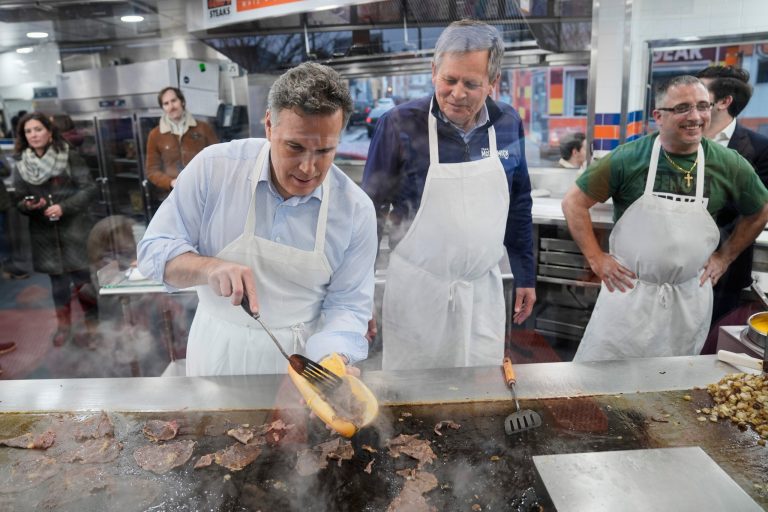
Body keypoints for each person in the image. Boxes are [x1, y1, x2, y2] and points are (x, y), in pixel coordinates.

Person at [137, 62, 377, 377]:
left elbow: (347, 305)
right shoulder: (215, 169)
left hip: (303, 364)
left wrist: (331, 363)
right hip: (216, 355)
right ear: (268, 126)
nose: (308, 168)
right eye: (294, 147)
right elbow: (153, 252)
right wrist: (209, 267)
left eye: (324, 151)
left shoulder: (355, 210)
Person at [362, 19, 536, 371]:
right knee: (412, 399)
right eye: (449, 80)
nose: (458, 93)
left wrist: (525, 275)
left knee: (478, 392)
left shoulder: (507, 123)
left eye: (471, 84)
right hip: (417, 292)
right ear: (433, 72)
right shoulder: (399, 124)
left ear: (492, 82)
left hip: (481, 292)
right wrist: (360, 294)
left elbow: (519, 201)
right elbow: (370, 213)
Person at [562, 75, 768, 361]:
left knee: (673, 385)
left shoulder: (728, 163)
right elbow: (574, 202)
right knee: (604, 380)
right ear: (658, 116)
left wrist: (725, 257)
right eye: (682, 108)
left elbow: (760, 210)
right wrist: (596, 258)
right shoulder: (629, 158)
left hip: (688, 298)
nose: (695, 116)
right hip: (629, 295)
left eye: (703, 106)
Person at [695, 66, 768, 352]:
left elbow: (753, 211)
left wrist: (720, 255)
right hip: (674, 266)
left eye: (701, 94)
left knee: (709, 348)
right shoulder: (682, 139)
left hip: (722, 269)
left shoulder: (759, 148)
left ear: (724, 101)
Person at [13, 112, 99, 348]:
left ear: (49, 132)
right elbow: (18, 200)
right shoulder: (21, 165)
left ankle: (94, 330)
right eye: (28, 131)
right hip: (45, 237)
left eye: (38, 129)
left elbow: (90, 189)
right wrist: (30, 205)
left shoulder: (68, 156)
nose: (34, 135)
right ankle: (64, 328)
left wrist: (64, 207)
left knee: (84, 284)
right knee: (58, 287)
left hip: (74, 232)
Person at [144, 86, 218, 208]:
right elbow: (152, 171)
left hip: (204, 194)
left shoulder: (203, 128)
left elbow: (218, 160)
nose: (171, 106)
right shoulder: (155, 135)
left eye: (174, 101)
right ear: (163, 108)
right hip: (171, 197)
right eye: (166, 103)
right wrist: (171, 182)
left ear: (182, 101)